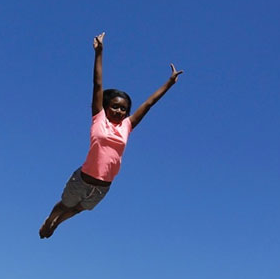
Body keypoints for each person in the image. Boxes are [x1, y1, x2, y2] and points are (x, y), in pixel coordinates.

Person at [39, 32, 183, 238]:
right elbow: (97, 85)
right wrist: (99, 53)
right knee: (65, 204)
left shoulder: (127, 126)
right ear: (106, 107)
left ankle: (57, 223)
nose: (119, 111)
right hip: (82, 179)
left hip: (103, 187)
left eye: (123, 109)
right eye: (115, 107)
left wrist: (168, 84)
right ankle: (50, 219)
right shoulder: (99, 119)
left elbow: (149, 104)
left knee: (79, 209)